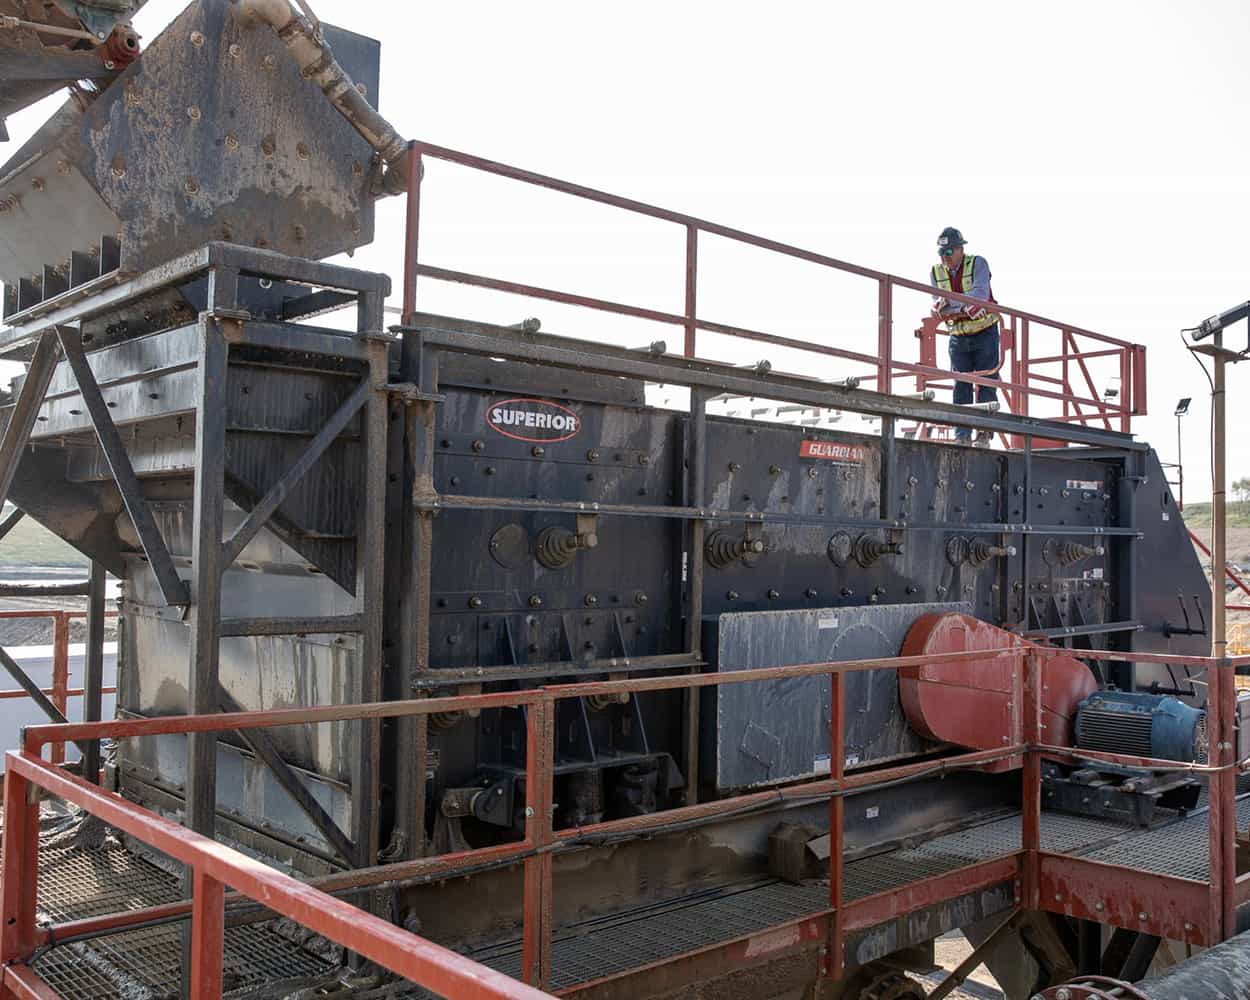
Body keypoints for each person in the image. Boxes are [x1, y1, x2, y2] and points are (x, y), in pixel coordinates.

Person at [929, 227, 1000, 445]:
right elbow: (938, 306)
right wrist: (961, 303)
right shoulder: (935, 272)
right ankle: (962, 436)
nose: (944, 258)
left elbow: (980, 295)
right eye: (941, 253)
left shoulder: (978, 263)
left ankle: (984, 435)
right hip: (958, 336)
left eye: (949, 252)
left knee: (986, 382)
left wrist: (951, 302)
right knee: (961, 386)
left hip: (984, 333)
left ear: (960, 249)